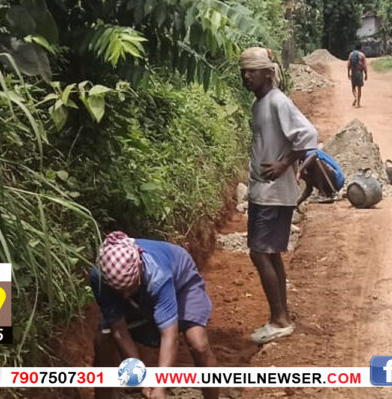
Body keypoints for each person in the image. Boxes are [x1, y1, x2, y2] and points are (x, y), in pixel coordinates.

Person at [239, 47, 318, 344]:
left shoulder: (277, 102)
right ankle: (280, 316)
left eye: (252, 71)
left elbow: (309, 134)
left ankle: (280, 319)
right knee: (268, 252)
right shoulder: (260, 104)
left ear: (269, 73)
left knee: (260, 252)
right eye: (243, 71)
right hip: (264, 192)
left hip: (273, 193)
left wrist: (285, 163)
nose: (246, 76)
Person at [90, 231, 218, 399]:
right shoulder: (100, 278)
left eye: (130, 288)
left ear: (140, 267)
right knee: (103, 339)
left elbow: (170, 336)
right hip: (140, 291)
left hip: (182, 284)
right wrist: (142, 378)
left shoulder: (158, 276)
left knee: (198, 343)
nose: (126, 296)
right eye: (121, 291)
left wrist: (160, 386)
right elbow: (119, 330)